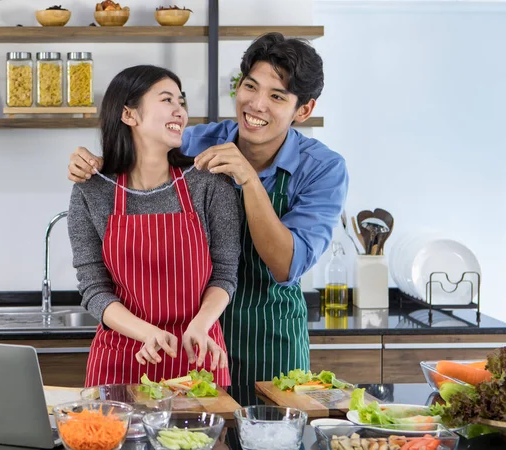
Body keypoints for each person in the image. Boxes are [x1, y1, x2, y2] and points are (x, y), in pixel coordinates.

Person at [68, 33, 349, 385]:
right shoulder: (197, 142)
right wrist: (94, 164)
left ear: (303, 110)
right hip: (191, 341)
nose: (257, 104)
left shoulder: (323, 168)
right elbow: (142, 149)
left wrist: (247, 178)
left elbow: (286, 265)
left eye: (277, 96)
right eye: (250, 86)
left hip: (269, 334)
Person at [67, 65, 242, 387]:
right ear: (129, 115)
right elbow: (93, 287)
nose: (181, 111)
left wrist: (201, 324)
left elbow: (226, 273)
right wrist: (147, 333)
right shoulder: (92, 189)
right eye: (167, 100)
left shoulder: (209, 184)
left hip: (198, 355)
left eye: (181, 101)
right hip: (123, 359)